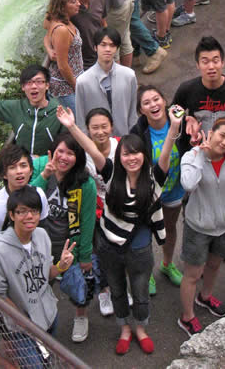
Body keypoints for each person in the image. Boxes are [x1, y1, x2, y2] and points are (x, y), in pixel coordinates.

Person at [57, 104, 183, 356]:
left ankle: (141, 328)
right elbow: (92, 149)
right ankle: (124, 328)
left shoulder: (154, 177)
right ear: (119, 157)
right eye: (126, 154)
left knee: (140, 292)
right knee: (116, 290)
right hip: (108, 246)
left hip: (139, 247)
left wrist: (175, 126)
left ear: (144, 156)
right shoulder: (111, 172)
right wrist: (71, 126)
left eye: (136, 153)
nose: (131, 158)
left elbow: (167, 151)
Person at [173, 36, 225, 269]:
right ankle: (197, 250)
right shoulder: (187, 89)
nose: (211, 66)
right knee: (194, 202)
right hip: (196, 156)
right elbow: (173, 111)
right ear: (198, 64)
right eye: (205, 61)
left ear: (223, 62)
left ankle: (224, 248)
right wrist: (185, 118)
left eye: (215, 60)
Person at [0, 186, 75, 366]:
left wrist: (60, 267)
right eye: (22, 212)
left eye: (34, 211)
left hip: (49, 314)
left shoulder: (41, 236)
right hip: (21, 329)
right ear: (12, 215)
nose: (29, 216)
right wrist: (24, 321)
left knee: (49, 357)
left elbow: (45, 273)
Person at [177, 118, 225, 336]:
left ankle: (205, 297)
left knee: (214, 265)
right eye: (222, 135)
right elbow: (188, 184)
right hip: (199, 226)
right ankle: (187, 317)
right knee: (193, 274)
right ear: (211, 132)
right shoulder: (191, 156)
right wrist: (201, 156)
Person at [30, 132, 96, 342]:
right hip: (41, 245)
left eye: (70, 153)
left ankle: (81, 316)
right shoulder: (42, 166)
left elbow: (87, 222)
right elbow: (26, 200)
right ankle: (43, 321)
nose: (64, 157)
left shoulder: (85, 183)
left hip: (70, 245)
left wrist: (84, 255)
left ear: (78, 157)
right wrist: (44, 176)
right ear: (52, 151)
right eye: (60, 151)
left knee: (77, 285)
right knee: (40, 284)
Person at [130, 85, 188, 291]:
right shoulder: (138, 132)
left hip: (174, 189)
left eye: (156, 99)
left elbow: (191, 144)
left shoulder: (180, 122)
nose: (153, 105)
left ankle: (167, 264)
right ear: (141, 110)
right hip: (149, 193)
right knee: (146, 231)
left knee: (169, 228)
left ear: (165, 101)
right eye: (146, 103)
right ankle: (147, 272)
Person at [0, 65, 63, 156]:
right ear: (23, 87)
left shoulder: (58, 112)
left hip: (49, 169)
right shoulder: (17, 108)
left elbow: (67, 146)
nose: (33, 86)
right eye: (28, 82)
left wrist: (43, 161)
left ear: (47, 85)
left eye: (39, 81)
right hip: (24, 170)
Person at [81, 107, 120, 318]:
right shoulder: (82, 154)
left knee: (121, 251)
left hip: (120, 209)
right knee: (101, 253)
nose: (100, 131)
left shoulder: (121, 147)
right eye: (94, 127)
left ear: (111, 127)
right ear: (87, 130)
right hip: (96, 211)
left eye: (104, 126)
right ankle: (104, 291)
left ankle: (120, 290)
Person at [74, 27, 137, 137]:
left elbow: (133, 112)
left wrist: (134, 136)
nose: (107, 49)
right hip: (97, 141)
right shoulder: (83, 81)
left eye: (112, 45)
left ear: (117, 48)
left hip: (124, 138)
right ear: (95, 47)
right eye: (103, 45)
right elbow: (81, 118)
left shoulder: (129, 76)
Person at [42, 0, 83, 115]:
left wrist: (49, 48)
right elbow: (63, 66)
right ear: (62, 5)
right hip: (66, 87)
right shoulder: (62, 30)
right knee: (79, 119)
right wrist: (76, 86)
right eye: (73, 1)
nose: (78, 4)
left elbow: (47, 35)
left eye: (77, 0)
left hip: (76, 77)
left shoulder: (57, 21)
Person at [69, 0, 106, 71]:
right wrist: (49, 49)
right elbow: (49, 25)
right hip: (84, 63)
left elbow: (103, 22)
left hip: (102, 53)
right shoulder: (68, 7)